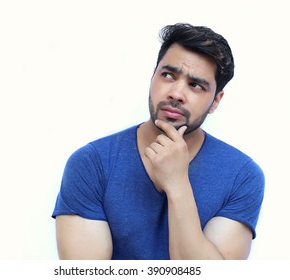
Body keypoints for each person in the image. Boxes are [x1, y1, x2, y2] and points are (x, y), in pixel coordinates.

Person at [52, 23, 265, 260]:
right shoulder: (91, 163)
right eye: (168, 75)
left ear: (215, 101)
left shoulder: (242, 175)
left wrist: (178, 185)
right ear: (153, 75)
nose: (176, 93)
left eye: (195, 85)